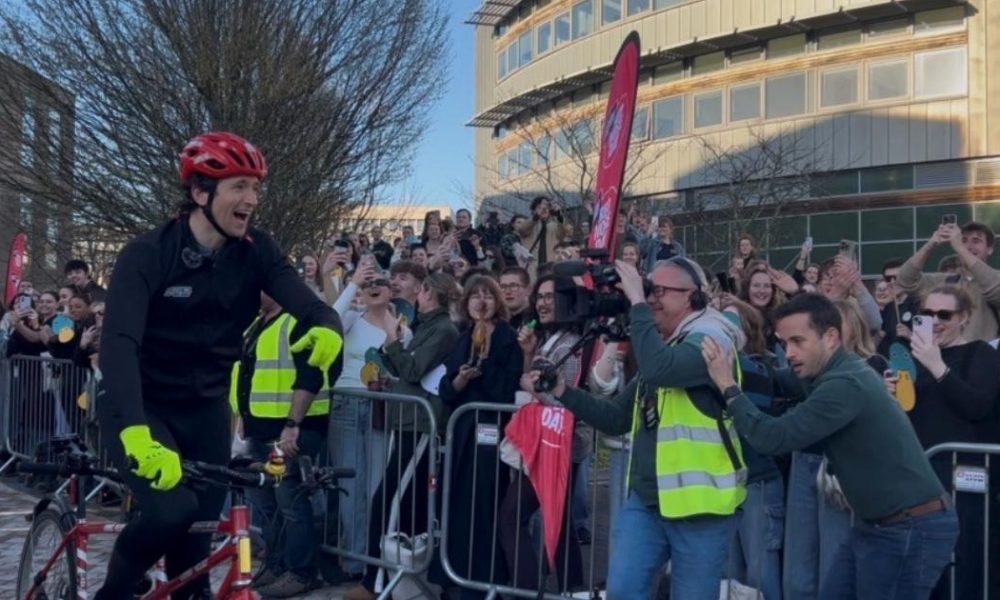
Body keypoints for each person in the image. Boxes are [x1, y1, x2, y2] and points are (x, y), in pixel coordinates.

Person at [93, 131, 344, 600]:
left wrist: (328, 326)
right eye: (240, 187)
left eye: (255, 188)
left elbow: (309, 305)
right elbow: (119, 345)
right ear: (200, 193)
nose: (252, 199)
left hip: (205, 408)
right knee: (170, 513)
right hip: (141, 405)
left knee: (196, 548)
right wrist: (135, 434)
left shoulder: (256, 251)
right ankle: (115, 592)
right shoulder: (148, 254)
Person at [700, 293, 958, 600]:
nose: (790, 352)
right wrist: (735, 359)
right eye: (784, 344)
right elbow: (775, 380)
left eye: (798, 341)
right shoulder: (832, 371)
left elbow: (773, 438)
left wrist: (727, 385)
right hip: (880, 526)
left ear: (831, 337)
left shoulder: (844, 384)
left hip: (907, 528)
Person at [524, 257, 747, 599]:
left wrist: (638, 303)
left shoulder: (712, 337)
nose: (651, 298)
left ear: (693, 297)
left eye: (660, 291)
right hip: (647, 503)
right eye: (648, 290)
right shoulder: (666, 345)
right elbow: (616, 416)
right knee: (623, 592)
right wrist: (561, 391)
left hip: (700, 508)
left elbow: (660, 370)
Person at [345, 272, 459, 600]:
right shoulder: (426, 326)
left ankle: (374, 582)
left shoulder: (443, 330)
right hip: (405, 421)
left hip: (422, 425)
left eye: (421, 290)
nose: (416, 296)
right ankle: (389, 580)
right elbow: (402, 369)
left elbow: (413, 369)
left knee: (390, 502)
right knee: (401, 505)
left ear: (431, 293)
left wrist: (393, 341)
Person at [886, 285, 1000, 599]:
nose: (934, 321)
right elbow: (906, 416)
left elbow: (976, 405)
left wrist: (937, 365)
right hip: (921, 480)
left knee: (967, 562)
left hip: (968, 480)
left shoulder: (981, 353)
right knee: (925, 565)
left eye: (944, 314)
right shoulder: (914, 358)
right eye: (927, 313)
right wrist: (891, 394)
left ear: (963, 318)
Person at [231, 292, 340, 597]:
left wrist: (293, 425)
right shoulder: (256, 323)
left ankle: (300, 572)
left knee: (290, 501)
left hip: (291, 429)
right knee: (265, 503)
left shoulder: (301, 321)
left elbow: (310, 375)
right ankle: (277, 564)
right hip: (260, 426)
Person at [500, 274, 586, 592]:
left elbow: (563, 395)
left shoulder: (572, 343)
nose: (543, 302)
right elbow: (535, 381)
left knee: (511, 517)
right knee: (558, 521)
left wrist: (529, 387)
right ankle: (572, 588)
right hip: (547, 442)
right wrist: (527, 355)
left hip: (560, 444)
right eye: (541, 296)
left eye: (551, 297)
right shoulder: (551, 338)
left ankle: (528, 589)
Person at [440, 276, 522, 598]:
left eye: (488, 295)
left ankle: (487, 579)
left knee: (486, 505)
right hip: (462, 434)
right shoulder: (462, 338)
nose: (481, 301)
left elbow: (504, 390)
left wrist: (485, 363)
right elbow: (446, 389)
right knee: (459, 505)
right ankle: (457, 576)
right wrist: (460, 380)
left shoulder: (506, 337)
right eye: (475, 295)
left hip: (491, 433)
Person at [897, 220, 1000, 342]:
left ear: (990, 249)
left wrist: (961, 248)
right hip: (944, 359)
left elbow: (994, 290)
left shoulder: (994, 279)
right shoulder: (946, 281)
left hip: (984, 357)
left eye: (976, 241)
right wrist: (930, 245)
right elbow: (905, 280)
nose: (969, 246)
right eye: (963, 240)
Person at [516, 196, 568, 280]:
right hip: (532, 269)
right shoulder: (530, 225)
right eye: (539, 207)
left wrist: (558, 215)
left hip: (550, 267)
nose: (544, 210)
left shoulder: (554, 226)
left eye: (546, 208)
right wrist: (537, 216)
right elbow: (522, 229)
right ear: (533, 210)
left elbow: (563, 232)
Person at [877, 258, 920, 357]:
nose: (893, 282)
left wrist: (910, 335)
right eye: (888, 278)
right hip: (888, 363)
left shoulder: (918, 304)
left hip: (912, 363)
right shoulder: (886, 306)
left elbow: (929, 340)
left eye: (898, 277)